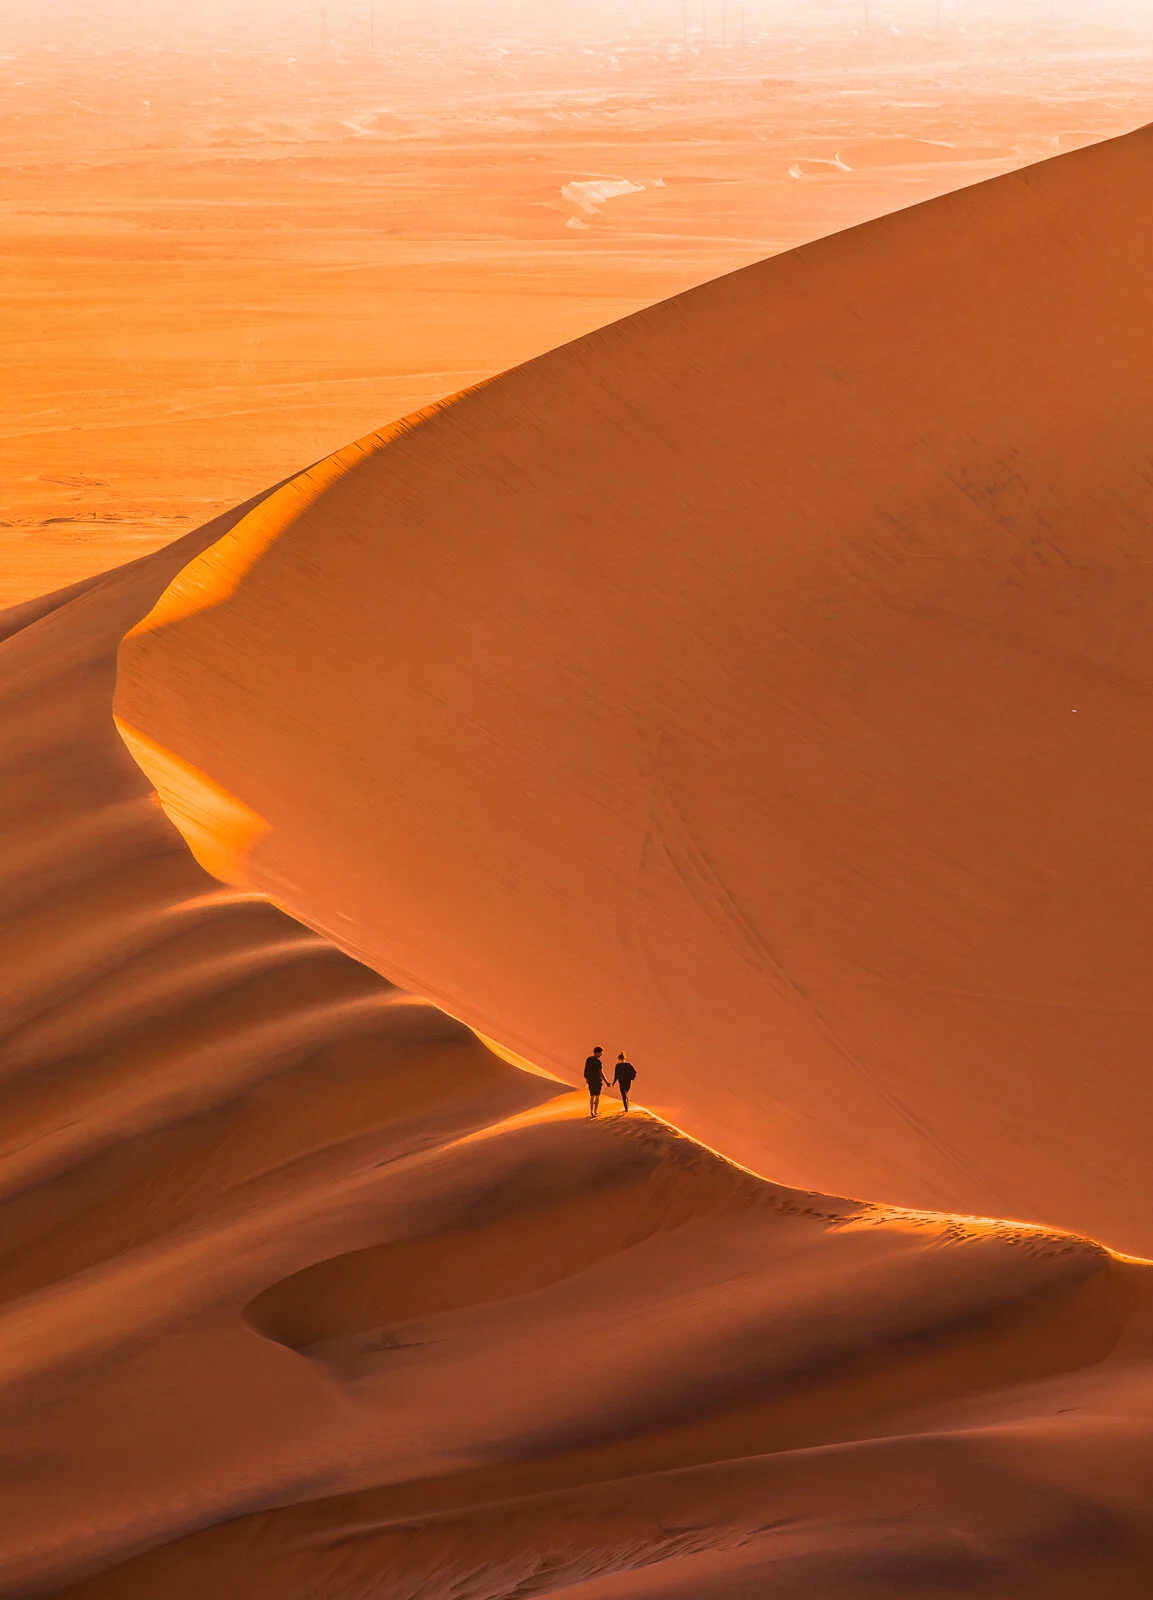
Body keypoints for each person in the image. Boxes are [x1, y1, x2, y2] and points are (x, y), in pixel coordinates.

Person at [584, 1046, 608, 1117]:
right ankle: (595, 1111)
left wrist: (587, 1079)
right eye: (600, 1053)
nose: (601, 1054)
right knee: (597, 1096)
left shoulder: (588, 1059)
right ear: (597, 1052)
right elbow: (601, 1072)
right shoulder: (598, 1061)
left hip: (590, 1080)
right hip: (597, 1080)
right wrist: (606, 1082)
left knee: (592, 1096)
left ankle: (592, 1112)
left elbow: (586, 1070)